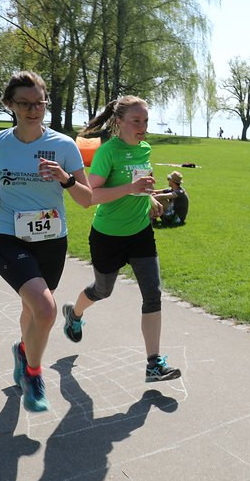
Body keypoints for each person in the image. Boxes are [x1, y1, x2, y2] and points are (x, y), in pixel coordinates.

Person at [0, 71, 92, 413]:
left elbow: (86, 199)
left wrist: (66, 179)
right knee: (46, 308)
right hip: (10, 238)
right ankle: (34, 376)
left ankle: (24, 352)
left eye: (39, 102)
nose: (34, 110)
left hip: (52, 241)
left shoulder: (64, 145)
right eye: (25, 103)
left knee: (32, 310)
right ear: (9, 105)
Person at [60, 96, 181, 383]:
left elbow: (141, 184)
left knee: (153, 294)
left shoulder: (144, 148)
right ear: (119, 122)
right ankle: (74, 314)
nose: (142, 127)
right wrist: (131, 187)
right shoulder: (107, 153)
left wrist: (149, 199)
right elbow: (91, 197)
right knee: (103, 290)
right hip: (108, 236)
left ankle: (154, 364)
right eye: (136, 121)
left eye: (146, 121)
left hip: (140, 233)